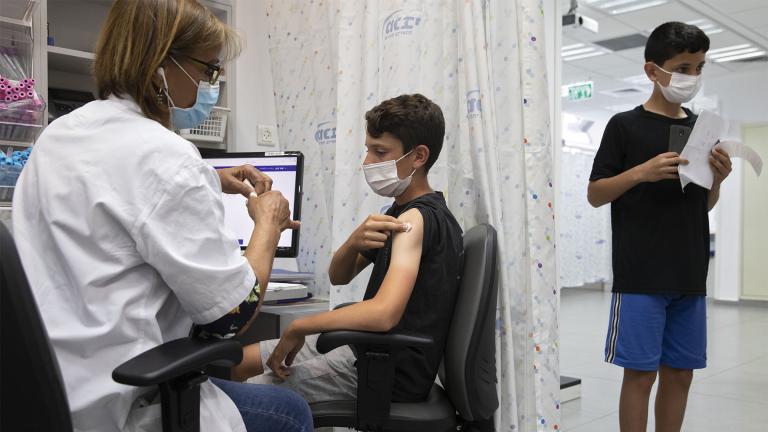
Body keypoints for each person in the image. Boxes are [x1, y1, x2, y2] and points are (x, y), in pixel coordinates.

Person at [12, 0, 311, 431]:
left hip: (52, 392)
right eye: (208, 69)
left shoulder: (59, 134)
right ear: (164, 62)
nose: (212, 83)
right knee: (292, 412)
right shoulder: (167, 157)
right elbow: (232, 316)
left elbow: (118, 193)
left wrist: (207, 176)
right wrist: (267, 224)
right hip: (126, 402)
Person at [229, 94, 464, 404]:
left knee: (243, 400)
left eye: (380, 152)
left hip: (384, 368)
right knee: (236, 363)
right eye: (368, 150)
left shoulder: (415, 220)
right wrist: (354, 240)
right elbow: (338, 276)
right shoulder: (397, 214)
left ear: (418, 156)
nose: (367, 163)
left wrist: (300, 326)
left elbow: (383, 314)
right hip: (366, 348)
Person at [587, 22, 732, 432]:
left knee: (681, 374)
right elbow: (596, 194)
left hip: (689, 274)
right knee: (640, 374)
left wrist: (718, 179)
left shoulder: (703, 129)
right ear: (653, 71)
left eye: (699, 67)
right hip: (640, 276)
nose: (692, 77)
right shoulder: (624, 125)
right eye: (683, 68)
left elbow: (700, 205)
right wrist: (641, 173)